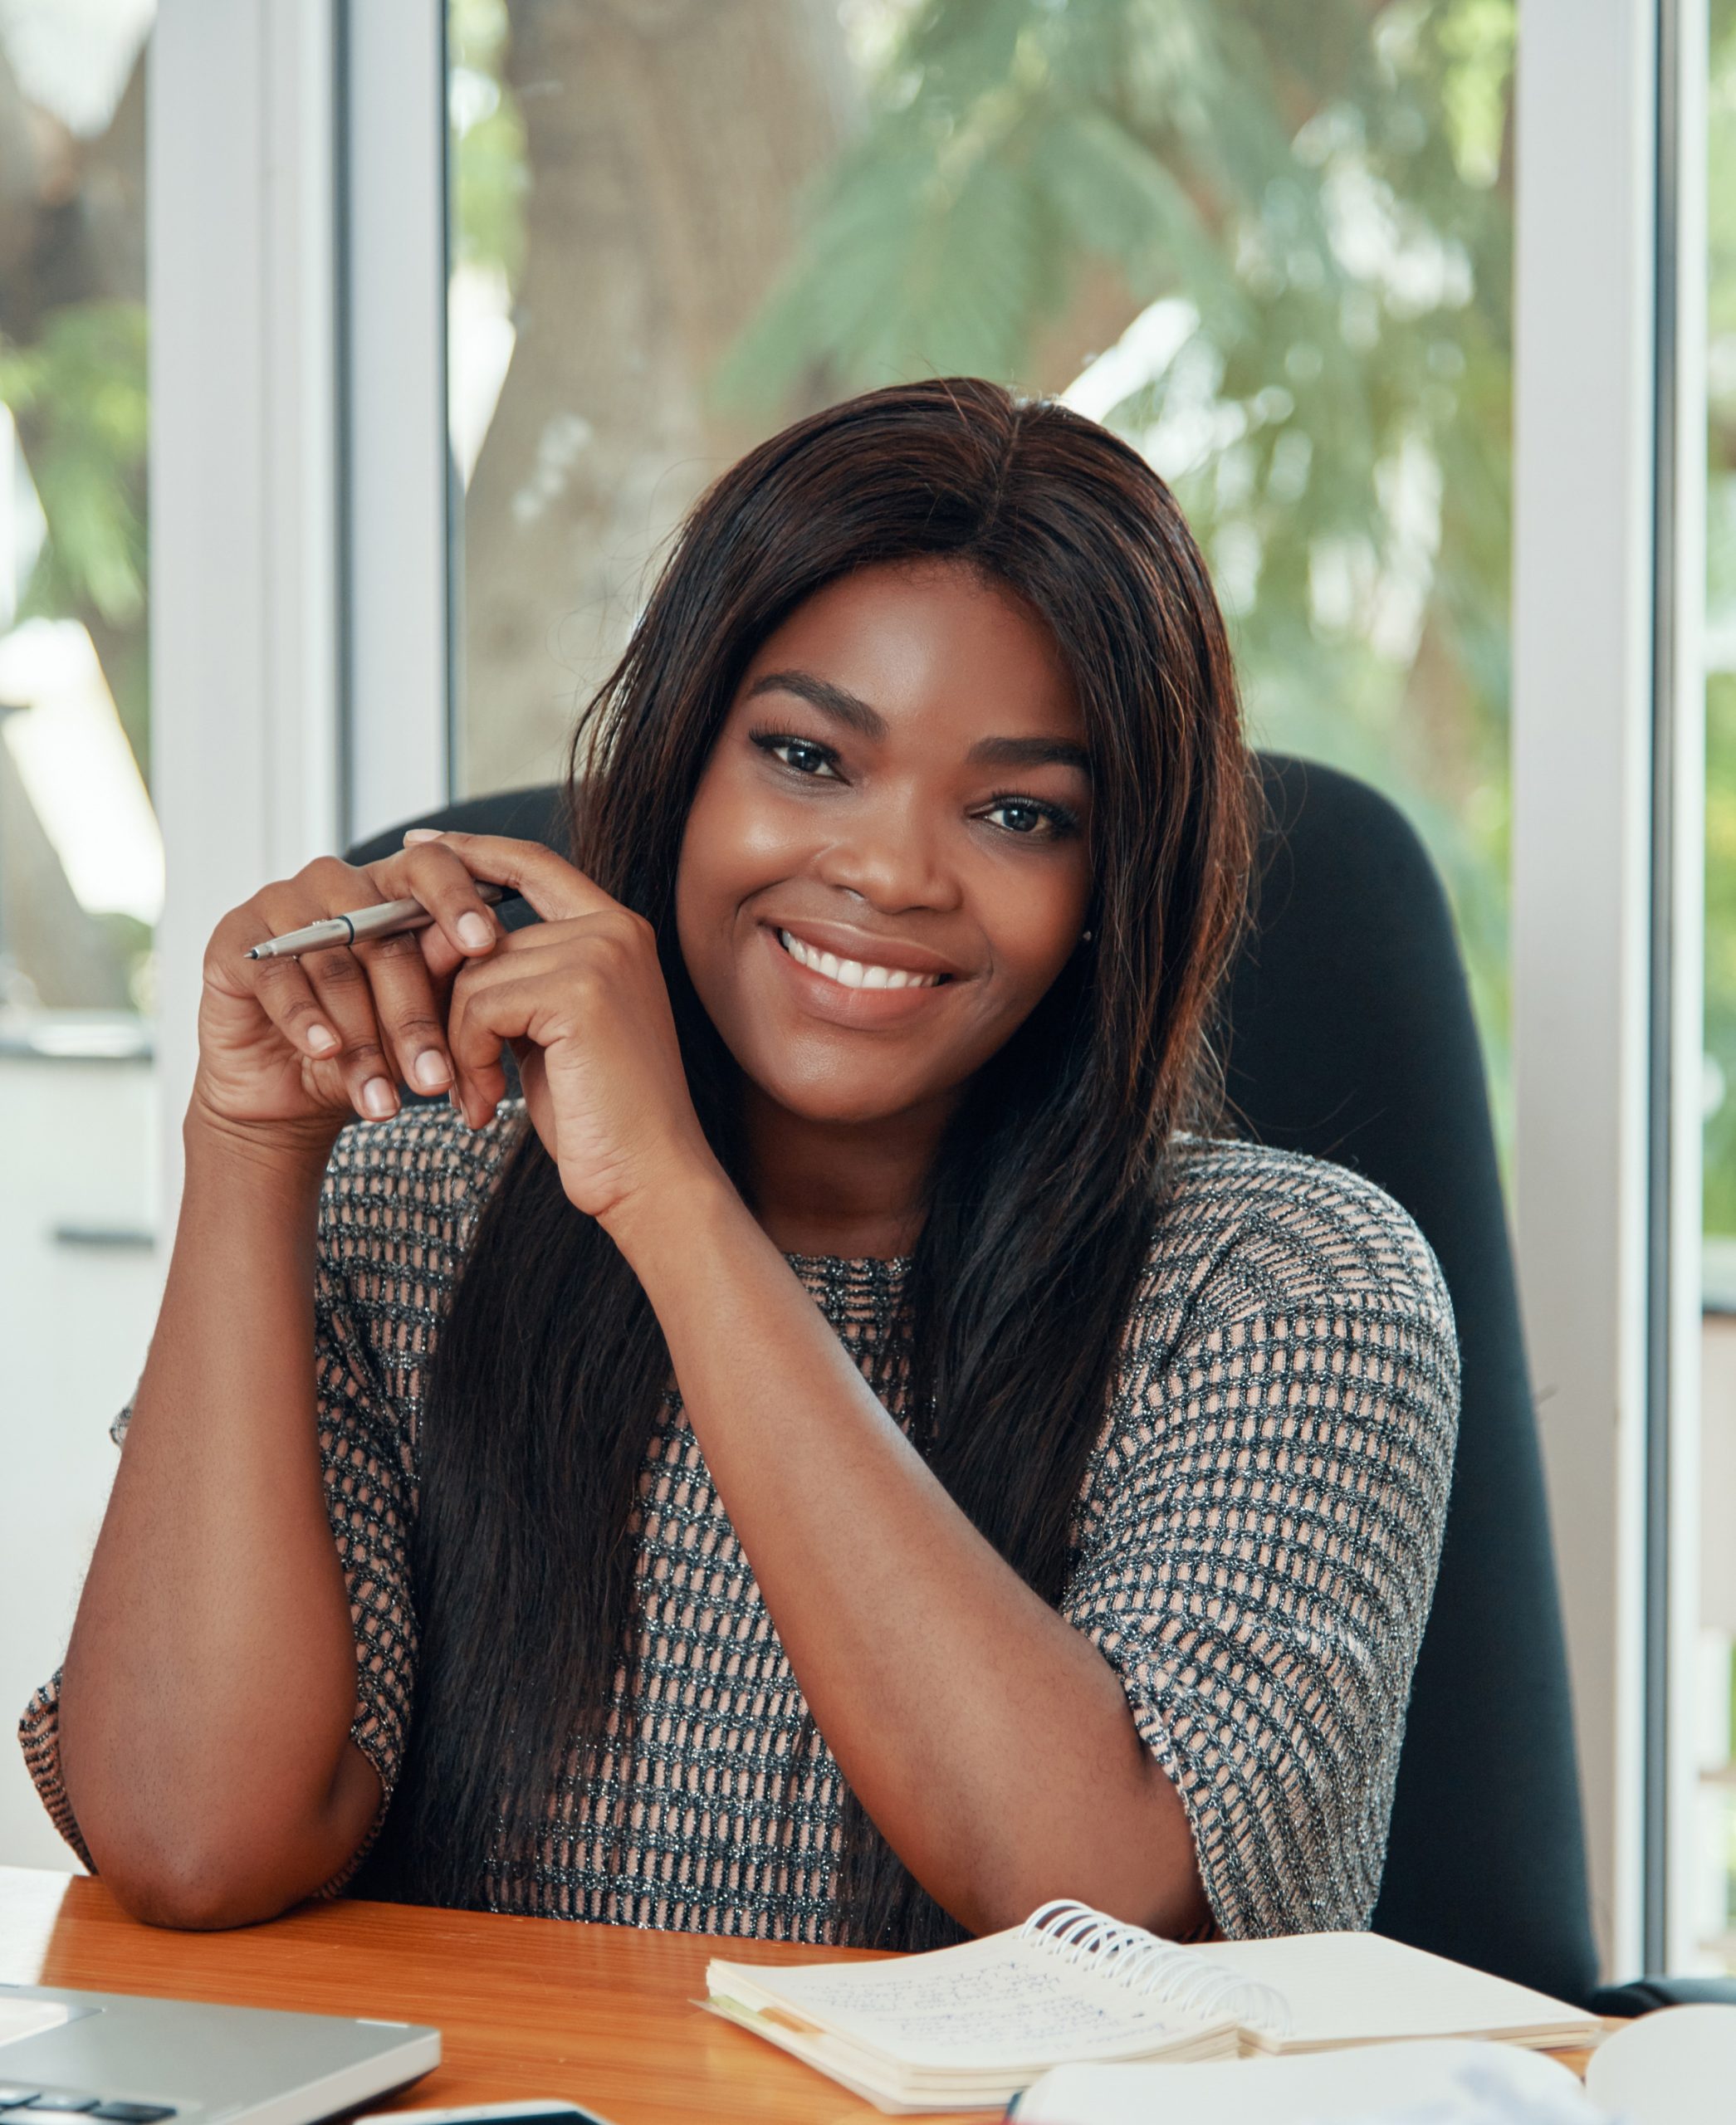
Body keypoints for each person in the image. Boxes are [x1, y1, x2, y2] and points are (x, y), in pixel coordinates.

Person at [22, 379, 1457, 1949]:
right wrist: (250, 1149)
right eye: (809, 758)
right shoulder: (411, 1210)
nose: (893, 870)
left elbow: (1117, 1906)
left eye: (1017, 813)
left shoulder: (1287, 1289)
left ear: (1118, 879)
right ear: (680, 765)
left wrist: (673, 1203)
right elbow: (185, 1846)